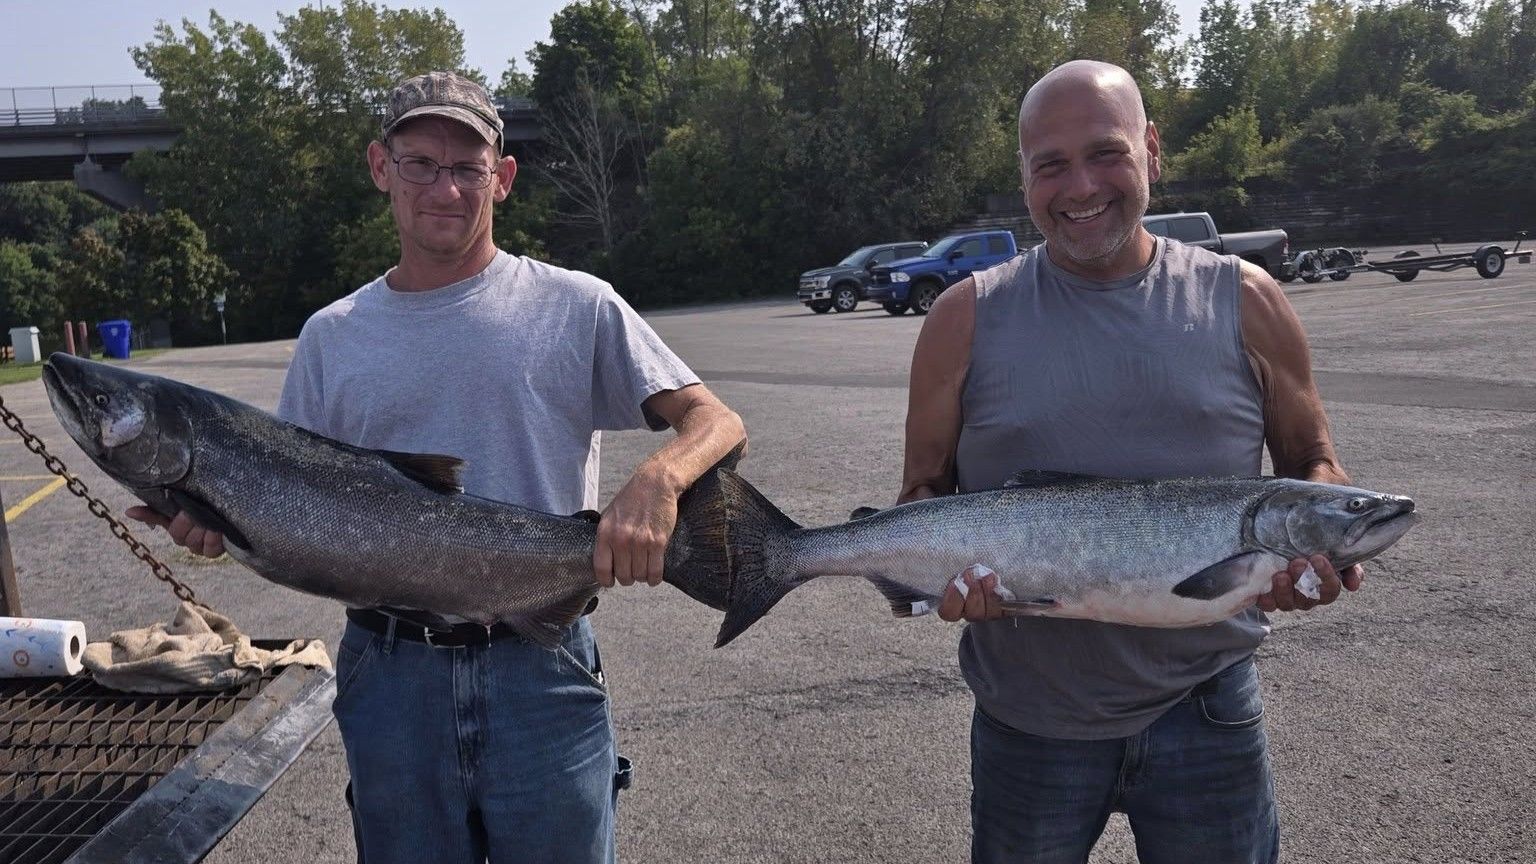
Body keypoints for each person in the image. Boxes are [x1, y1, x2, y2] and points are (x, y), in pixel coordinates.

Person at [128, 71, 746, 863]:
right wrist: (217, 525)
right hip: (391, 677)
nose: (445, 189)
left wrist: (659, 481)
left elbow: (716, 423)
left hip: (542, 666)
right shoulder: (332, 337)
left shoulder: (577, 304)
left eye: (467, 167)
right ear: (381, 167)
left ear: (503, 177)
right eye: (421, 163)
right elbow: (291, 509)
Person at [901, 60, 1363, 863]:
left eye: (1106, 153)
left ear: (1151, 149)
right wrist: (940, 578)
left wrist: (1316, 552)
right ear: (1024, 177)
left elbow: (1313, 461)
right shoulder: (962, 317)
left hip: (1209, 709)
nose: (1080, 187)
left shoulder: (1247, 298)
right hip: (1028, 721)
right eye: (1051, 164)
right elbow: (922, 492)